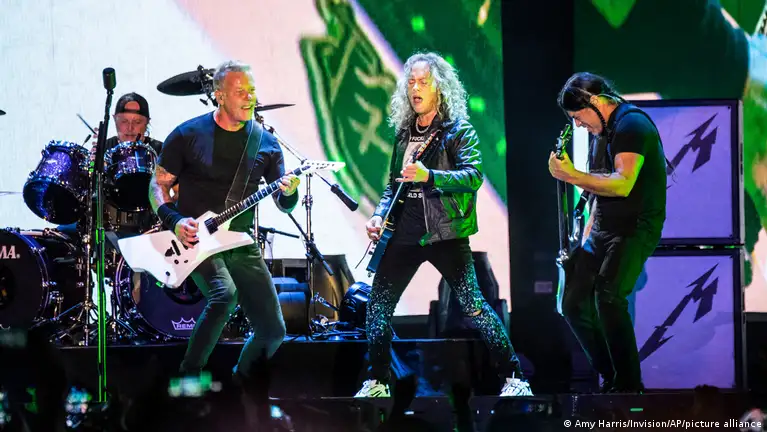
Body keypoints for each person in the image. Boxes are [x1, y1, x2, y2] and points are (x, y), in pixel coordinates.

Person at [355, 52, 532, 398]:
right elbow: (393, 185)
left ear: (440, 88)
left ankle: (515, 377)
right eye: (411, 82)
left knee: (474, 306)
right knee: (378, 307)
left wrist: (430, 176)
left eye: (423, 82)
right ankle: (377, 382)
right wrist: (378, 214)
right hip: (403, 233)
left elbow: (473, 176)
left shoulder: (458, 131)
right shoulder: (404, 133)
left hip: (445, 233)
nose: (415, 88)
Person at [148, 61, 300, 400]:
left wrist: (289, 192)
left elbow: (284, 203)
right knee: (224, 295)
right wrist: (175, 220)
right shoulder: (187, 134)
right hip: (196, 239)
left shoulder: (265, 143)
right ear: (219, 95)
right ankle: (188, 380)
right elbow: (157, 186)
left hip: (240, 242)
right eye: (240, 92)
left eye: (252, 91)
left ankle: (240, 387)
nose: (249, 98)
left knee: (273, 331)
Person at [549, 72, 667, 393]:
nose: (578, 125)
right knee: (572, 303)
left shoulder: (632, 126)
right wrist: (586, 233)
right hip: (604, 227)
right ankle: (612, 376)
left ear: (595, 102)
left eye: (578, 117)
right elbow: (598, 188)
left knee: (609, 296)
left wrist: (571, 175)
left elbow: (622, 183)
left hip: (635, 228)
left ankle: (628, 385)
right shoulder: (603, 130)